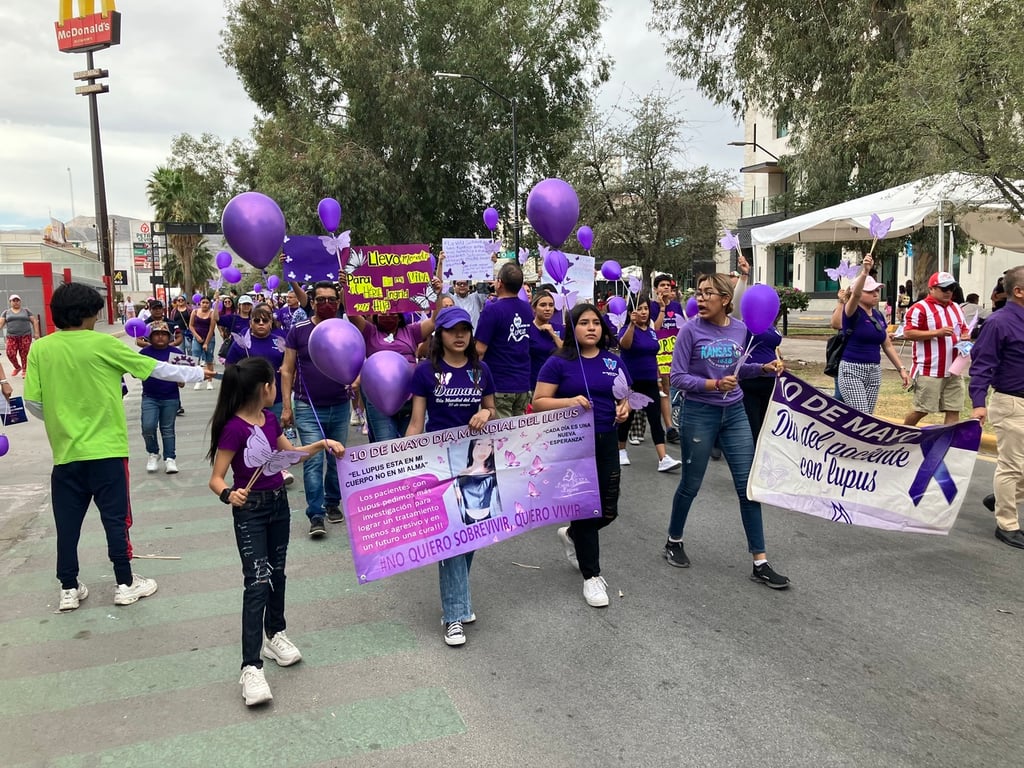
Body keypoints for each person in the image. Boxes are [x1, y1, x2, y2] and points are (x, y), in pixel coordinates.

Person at [23, 282, 213, 612]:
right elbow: (156, 369)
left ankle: (68, 587)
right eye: (95, 313)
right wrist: (199, 372)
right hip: (107, 452)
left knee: (67, 526)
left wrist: (62, 421)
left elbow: (32, 403)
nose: (97, 318)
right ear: (85, 314)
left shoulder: (41, 349)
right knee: (116, 520)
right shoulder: (104, 344)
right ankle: (124, 583)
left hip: (66, 454)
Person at [208, 356, 345, 705]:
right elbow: (216, 478)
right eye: (274, 382)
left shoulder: (269, 421)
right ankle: (251, 667)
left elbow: (292, 456)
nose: (276, 388)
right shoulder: (234, 428)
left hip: (278, 507)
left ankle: (276, 634)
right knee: (255, 584)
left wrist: (321, 445)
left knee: (277, 575)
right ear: (264, 387)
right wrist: (229, 494)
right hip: (250, 511)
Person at [663, 273, 789, 588]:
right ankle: (673, 540)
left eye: (709, 293)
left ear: (725, 300)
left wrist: (761, 368)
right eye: (698, 292)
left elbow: (737, 369)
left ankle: (760, 562)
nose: (701, 298)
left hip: (734, 412)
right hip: (699, 413)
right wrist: (712, 384)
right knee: (691, 485)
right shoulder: (690, 331)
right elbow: (677, 377)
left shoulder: (740, 330)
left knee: (748, 487)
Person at [407, 306, 496, 646]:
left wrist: (485, 413)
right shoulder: (424, 373)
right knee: (452, 539)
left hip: (477, 460)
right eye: (451, 329)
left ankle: (457, 597)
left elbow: (492, 410)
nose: (459, 335)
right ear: (439, 335)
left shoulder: (481, 370)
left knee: (471, 533)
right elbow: (417, 422)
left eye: (465, 329)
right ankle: (454, 614)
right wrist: (404, 459)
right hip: (438, 463)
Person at [533, 303, 632, 608]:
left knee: (609, 510)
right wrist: (569, 401)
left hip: (606, 440)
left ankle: (573, 534)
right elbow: (538, 402)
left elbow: (624, 397)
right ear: (571, 328)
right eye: (584, 323)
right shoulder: (558, 363)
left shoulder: (613, 362)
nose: (592, 328)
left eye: (596, 323)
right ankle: (592, 577)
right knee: (587, 507)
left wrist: (624, 408)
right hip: (573, 445)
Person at [280, 281, 351, 536]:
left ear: (339, 301)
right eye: (321, 300)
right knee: (312, 460)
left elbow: (358, 360)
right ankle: (316, 514)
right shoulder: (298, 331)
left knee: (336, 458)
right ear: (312, 301)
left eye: (332, 299)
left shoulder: (346, 329)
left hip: (341, 405)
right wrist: (286, 407)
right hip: (307, 406)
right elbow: (287, 369)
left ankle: (333, 503)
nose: (327, 304)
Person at [969, 265, 1024, 549]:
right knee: (1013, 466)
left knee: (1017, 471)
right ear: (1018, 291)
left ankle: (1005, 496)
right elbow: (983, 364)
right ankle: (1008, 524)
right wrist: (978, 403)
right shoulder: (999, 322)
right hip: (1012, 403)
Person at [347, 277, 441, 440]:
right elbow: (352, 314)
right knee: (386, 445)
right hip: (379, 399)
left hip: (410, 398)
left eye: (392, 312)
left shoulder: (412, 331)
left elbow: (435, 321)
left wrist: (437, 294)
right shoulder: (370, 332)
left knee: (408, 444)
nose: (387, 315)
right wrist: (346, 288)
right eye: (383, 311)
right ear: (376, 314)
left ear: (399, 316)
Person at [837, 255, 911, 413]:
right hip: (852, 369)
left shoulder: (878, 315)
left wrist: (901, 369)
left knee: (868, 416)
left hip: (874, 370)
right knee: (861, 414)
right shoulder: (852, 311)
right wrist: (865, 271)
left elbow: (887, 345)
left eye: (877, 290)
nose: (876, 294)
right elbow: (855, 295)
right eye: (870, 291)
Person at [616, 295, 681, 472]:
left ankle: (663, 458)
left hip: (650, 381)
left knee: (655, 418)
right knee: (626, 419)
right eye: (640, 309)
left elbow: (655, 356)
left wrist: (659, 379)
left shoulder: (651, 330)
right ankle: (621, 451)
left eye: (646, 308)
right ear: (632, 312)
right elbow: (625, 345)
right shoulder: (626, 329)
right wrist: (631, 324)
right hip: (631, 382)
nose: (643, 312)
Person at [902, 271, 968, 426]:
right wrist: (936, 333)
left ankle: (948, 443)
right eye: (943, 288)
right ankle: (903, 435)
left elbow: (964, 328)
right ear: (931, 289)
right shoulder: (919, 308)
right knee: (922, 409)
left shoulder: (957, 308)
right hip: (929, 369)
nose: (948, 292)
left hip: (954, 369)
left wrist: (965, 335)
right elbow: (908, 333)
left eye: (951, 288)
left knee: (954, 409)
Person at [476, 262, 533, 418]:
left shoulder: (492, 310)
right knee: (518, 438)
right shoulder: (527, 308)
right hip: (523, 384)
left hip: (499, 384)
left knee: (502, 439)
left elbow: (479, 350)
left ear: (499, 283)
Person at [225, 303, 288, 421]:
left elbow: (290, 367)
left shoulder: (280, 341)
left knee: (275, 435)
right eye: (257, 320)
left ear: (270, 324)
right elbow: (229, 366)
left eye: (265, 320)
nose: (261, 323)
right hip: (249, 398)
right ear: (250, 323)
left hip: (277, 398)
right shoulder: (242, 343)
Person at [139, 321, 186, 474]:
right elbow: (135, 372)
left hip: (170, 397)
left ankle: (170, 458)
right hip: (149, 396)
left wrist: (181, 379)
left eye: (163, 334)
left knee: (167, 429)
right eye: (156, 334)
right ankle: (153, 452)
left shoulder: (176, 353)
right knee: (148, 427)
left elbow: (183, 378)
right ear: (150, 337)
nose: (160, 337)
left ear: (169, 336)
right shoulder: (144, 354)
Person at [651, 274, 684, 443]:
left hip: (675, 352)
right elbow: (654, 328)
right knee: (663, 387)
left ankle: (677, 421)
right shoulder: (651, 307)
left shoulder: (677, 306)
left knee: (675, 387)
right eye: (662, 285)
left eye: (668, 285)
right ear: (656, 289)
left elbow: (682, 327)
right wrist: (662, 308)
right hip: (658, 353)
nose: (665, 288)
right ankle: (669, 427)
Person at [455, 438, 500, 525]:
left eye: (489, 445)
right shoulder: (460, 475)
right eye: (479, 444)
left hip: (488, 515)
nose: (483, 450)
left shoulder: (494, 473)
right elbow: (457, 499)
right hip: (468, 517)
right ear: (472, 447)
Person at [527, 290, 563, 392]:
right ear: (534, 308)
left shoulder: (559, 328)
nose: (547, 309)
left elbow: (566, 352)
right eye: (543, 305)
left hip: (557, 384)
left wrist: (553, 334)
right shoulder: (528, 329)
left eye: (551, 305)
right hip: (534, 384)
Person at [0, 294, 41, 376]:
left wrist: (36, 333)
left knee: (24, 353)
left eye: (17, 300)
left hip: (25, 335)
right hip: (11, 336)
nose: (16, 302)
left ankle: (25, 370)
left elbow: (34, 321)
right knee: (10, 353)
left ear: (20, 302)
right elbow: (1, 323)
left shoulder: (26, 311)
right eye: (13, 301)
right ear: (10, 302)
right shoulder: (6, 312)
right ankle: (17, 367)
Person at [188, 296, 218, 386]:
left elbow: (211, 328)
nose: (205, 304)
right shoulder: (195, 311)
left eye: (207, 303)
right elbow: (191, 325)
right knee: (195, 358)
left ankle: (209, 381)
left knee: (209, 360)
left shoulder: (212, 313)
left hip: (209, 338)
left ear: (209, 304)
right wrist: (196, 336)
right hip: (197, 338)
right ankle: (198, 379)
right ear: (200, 303)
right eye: (203, 302)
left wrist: (206, 343)